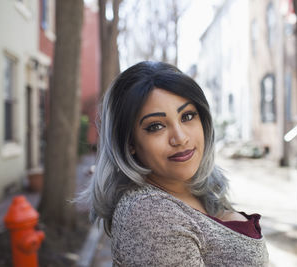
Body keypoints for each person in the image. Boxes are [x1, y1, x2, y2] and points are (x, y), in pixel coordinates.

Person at [80, 61, 269, 266]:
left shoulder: (195, 191)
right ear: (129, 142)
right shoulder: (150, 214)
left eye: (187, 116)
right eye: (156, 126)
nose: (180, 138)